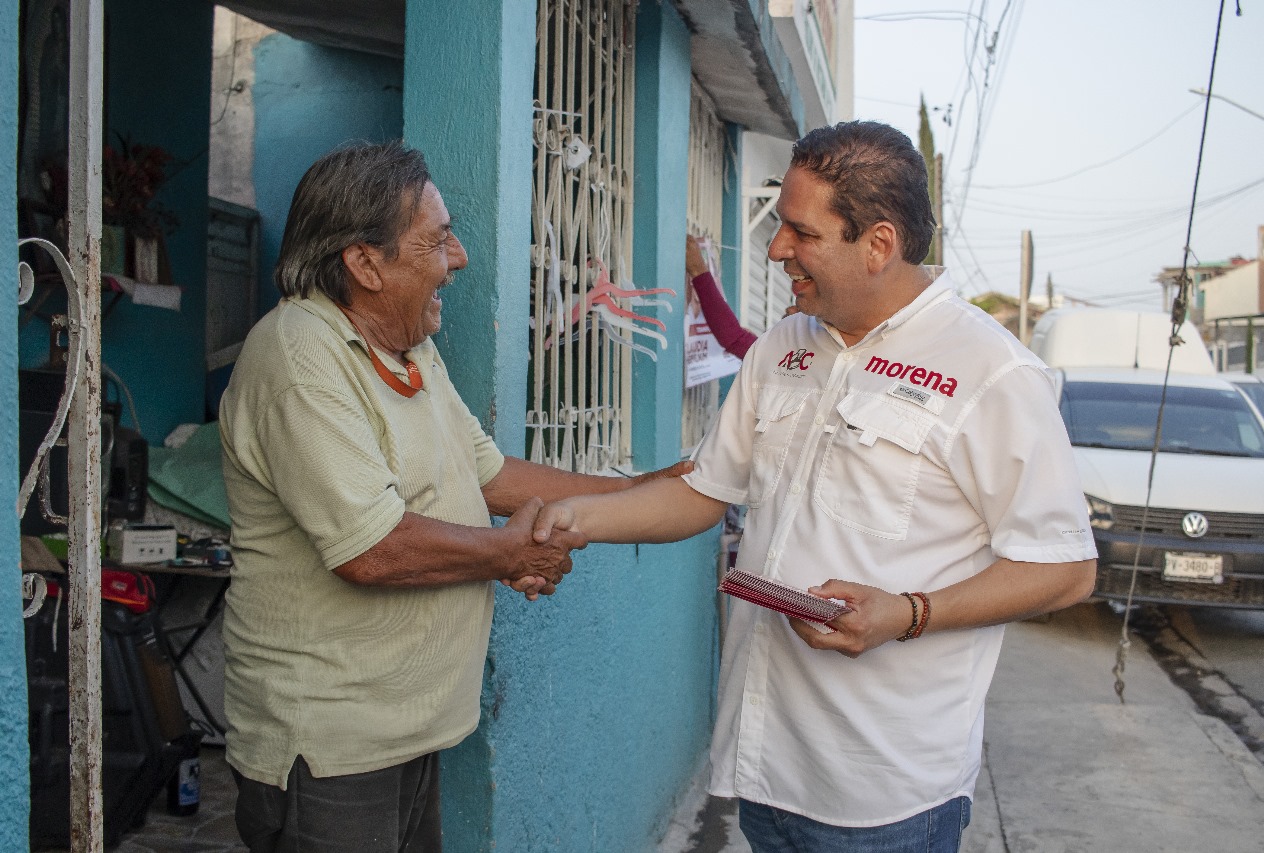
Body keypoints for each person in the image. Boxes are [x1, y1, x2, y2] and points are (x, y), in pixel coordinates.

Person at [532, 121, 1097, 852]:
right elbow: (706, 491)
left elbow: (1067, 567)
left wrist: (910, 611)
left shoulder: (992, 374)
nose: (775, 250)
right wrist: (577, 516)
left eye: (801, 232)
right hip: (766, 765)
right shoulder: (783, 346)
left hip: (886, 795)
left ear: (880, 244)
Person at [218, 141, 687, 853]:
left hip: (407, 729)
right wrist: (510, 553)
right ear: (364, 262)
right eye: (436, 241)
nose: (459, 256)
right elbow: (371, 548)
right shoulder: (298, 355)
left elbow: (489, 474)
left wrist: (645, 492)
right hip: (332, 746)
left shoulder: (408, 348)